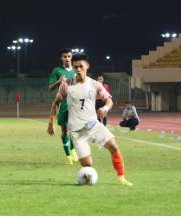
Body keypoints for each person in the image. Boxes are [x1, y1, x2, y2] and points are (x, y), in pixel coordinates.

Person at [47, 53, 132, 186]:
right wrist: (50, 123)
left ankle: (121, 178)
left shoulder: (95, 84)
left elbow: (109, 100)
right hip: (77, 132)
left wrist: (105, 109)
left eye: (81, 66)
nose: (78, 70)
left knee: (114, 146)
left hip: (94, 126)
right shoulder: (66, 85)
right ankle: (88, 177)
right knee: (88, 164)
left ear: (87, 66)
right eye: (75, 67)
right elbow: (56, 102)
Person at [48, 48, 78, 165]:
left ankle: (73, 150)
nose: (67, 59)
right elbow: (50, 88)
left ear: (72, 57)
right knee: (65, 130)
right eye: (64, 56)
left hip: (75, 105)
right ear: (61, 58)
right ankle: (68, 156)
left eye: (69, 56)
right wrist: (59, 81)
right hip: (63, 105)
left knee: (75, 130)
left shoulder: (76, 70)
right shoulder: (57, 70)